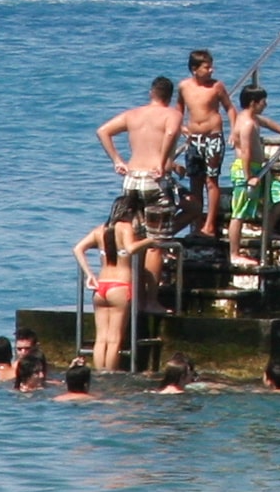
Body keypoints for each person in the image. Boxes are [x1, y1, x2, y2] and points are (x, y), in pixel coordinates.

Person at [73, 195, 157, 370]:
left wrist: (90, 274)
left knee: (101, 338)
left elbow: (78, 248)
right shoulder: (125, 228)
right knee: (114, 340)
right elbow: (130, 248)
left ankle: (98, 375)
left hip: (101, 287)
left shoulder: (100, 230)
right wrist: (151, 239)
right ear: (130, 212)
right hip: (120, 287)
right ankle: (109, 376)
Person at [226, 86, 280, 266]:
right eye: (263, 101)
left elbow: (266, 122)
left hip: (259, 169)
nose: (266, 104)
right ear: (253, 103)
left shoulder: (253, 118)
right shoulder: (247, 124)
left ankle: (267, 228)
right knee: (239, 212)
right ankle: (234, 254)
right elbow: (245, 152)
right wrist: (249, 176)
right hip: (246, 171)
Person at [97, 77, 184, 207]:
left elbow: (102, 131)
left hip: (131, 179)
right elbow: (170, 134)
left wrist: (117, 161)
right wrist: (161, 163)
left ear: (151, 93)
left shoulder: (132, 114)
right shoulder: (172, 115)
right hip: (154, 179)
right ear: (170, 97)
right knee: (192, 208)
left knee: (134, 221)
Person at [176, 49, 233, 239]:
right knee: (195, 182)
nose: (211, 70)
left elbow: (230, 109)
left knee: (211, 180)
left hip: (213, 137)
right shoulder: (184, 87)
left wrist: (234, 131)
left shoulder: (216, 86)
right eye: (207, 67)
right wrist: (180, 127)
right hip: (193, 139)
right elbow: (178, 110)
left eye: (211, 66)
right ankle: (196, 225)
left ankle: (209, 225)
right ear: (194, 69)